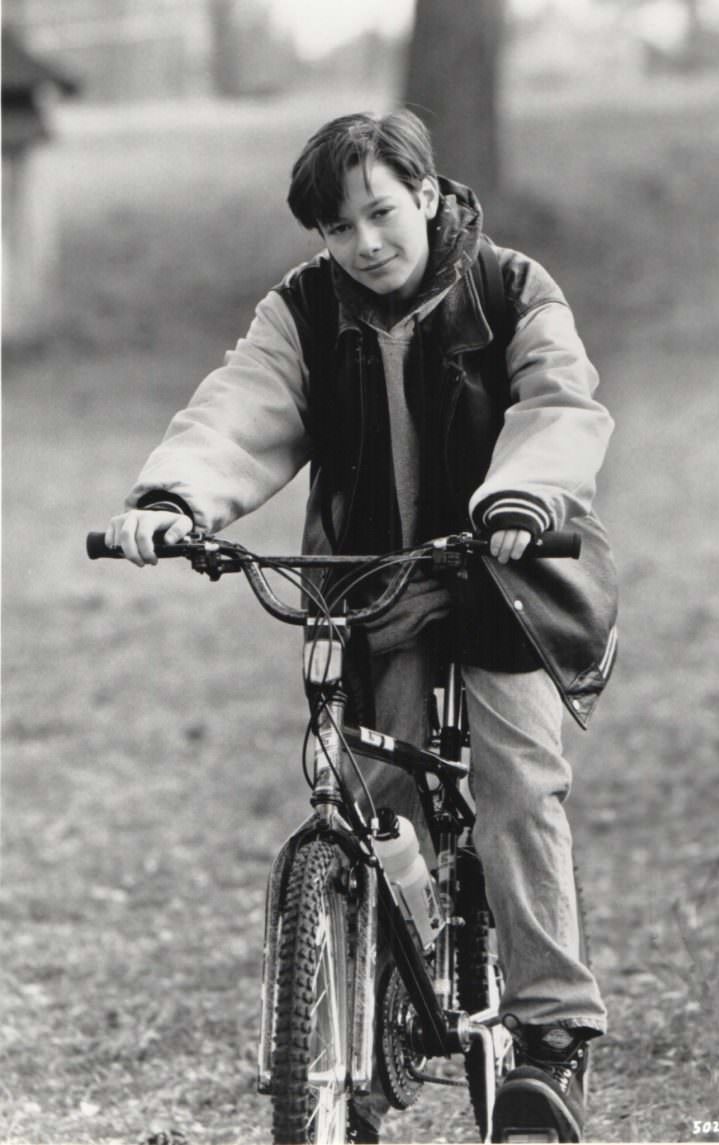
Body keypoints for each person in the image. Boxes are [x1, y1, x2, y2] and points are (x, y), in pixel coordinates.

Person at [105, 110, 616, 1143]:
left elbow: (557, 403)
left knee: (516, 784)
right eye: (338, 229)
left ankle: (553, 1040)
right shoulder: (303, 311)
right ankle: (358, 1024)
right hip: (373, 585)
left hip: (501, 578)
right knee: (370, 794)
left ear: (426, 195)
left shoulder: (513, 288)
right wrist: (175, 499)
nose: (365, 242)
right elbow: (244, 405)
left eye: (381, 212)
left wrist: (521, 496)